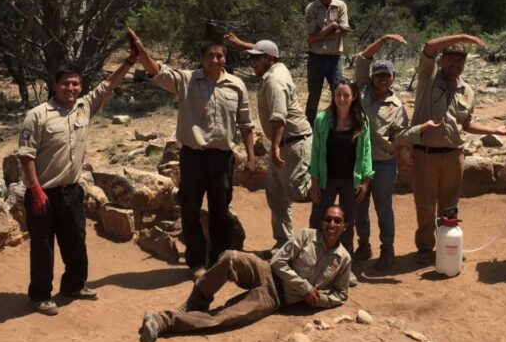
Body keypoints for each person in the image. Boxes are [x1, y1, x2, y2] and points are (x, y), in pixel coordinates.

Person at [17, 30, 139, 315]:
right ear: (55, 85)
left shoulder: (84, 107)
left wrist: (130, 60)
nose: (71, 89)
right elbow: (25, 156)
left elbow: (109, 84)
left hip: (71, 192)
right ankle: (39, 295)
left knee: (75, 242)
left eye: (75, 84)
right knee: (43, 247)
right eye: (65, 84)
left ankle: (74, 285)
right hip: (42, 194)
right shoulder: (38, 115)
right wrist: (35, 190)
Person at [128, 31, 255, 278]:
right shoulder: (187, 80)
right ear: (202, 57)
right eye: (210, 55)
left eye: (220, 56)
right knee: (190, 209)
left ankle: (219, 261)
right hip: (193, 157)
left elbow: (246, 124)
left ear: (225, 58)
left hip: (222, 159)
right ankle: (196, 262)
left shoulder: (236, 85)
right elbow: (157, 72)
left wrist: (251, 158)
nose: (215, 60)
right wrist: (141, 51)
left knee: (221, 211)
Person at [138, 205, 351, 342]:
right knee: (230, 257)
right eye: (328, 219)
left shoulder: (343, 259)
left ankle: (162, 321)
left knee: (225, 317)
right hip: (266, 271)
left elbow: (341, 294)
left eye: (337, 221)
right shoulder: (306, 235)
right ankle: (196, 302)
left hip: (275, 298)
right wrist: (305, 288)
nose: (332, 224)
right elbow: (278, 262)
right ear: (322, 222)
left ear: (344, 226)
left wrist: (320, 300)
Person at [411, 34, 506, 264]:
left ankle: (447, 244)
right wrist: (464, 37)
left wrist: (494, 130)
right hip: (425, 154)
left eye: (460, 59)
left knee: (450, 204)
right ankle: (425, 248)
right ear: (441, 60)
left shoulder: (467, 90)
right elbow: (428, 47)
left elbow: (466, 124)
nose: (455, 63)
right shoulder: (428, 78)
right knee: (425, 204)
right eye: (450, 57)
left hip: (454, 154)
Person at [224, 34, 312, 253]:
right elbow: (266, 49)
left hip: (292, 142)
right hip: (283, 142)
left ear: (269, 59)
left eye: (256, 58)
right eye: (251, 58)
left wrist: (274, 147)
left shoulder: (274, 81)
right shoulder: (276, 67)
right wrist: (243, 45)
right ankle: (284, 242)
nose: (252, 62)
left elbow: (279, 117)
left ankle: (329, 187)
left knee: (296, 191)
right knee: (275, 194)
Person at [353, 34, 416, 270]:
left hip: (383, 163)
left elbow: (401, 136)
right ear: (372, 77)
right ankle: (363, 245)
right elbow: (362, 59)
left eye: (386, 75)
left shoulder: (397, 107)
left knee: (383, 207)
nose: (382, 78)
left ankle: (387, 249)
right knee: (359, 206)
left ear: (393, 78)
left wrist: (419, 131)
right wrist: (384, 39)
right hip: (359, 161)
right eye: (378, 74)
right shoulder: (362, 91)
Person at [307, 80, 374, 266]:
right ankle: (314, 262)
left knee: (347, 224)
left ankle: (343, 266)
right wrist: (314, 181)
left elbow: (367, 151)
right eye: (338, 95)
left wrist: (366, 180)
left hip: (351, 181)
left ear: (354, 97)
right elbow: (316, 151)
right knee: (318, 220)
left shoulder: (361, 121)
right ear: (333, 96)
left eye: (346, 95)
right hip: (326, 179)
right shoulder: (322, 119)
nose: (342, 99)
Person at [304, 0, 350, 124]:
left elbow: (344, 31)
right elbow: (311, 36)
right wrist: (331, 26)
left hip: (334, 58)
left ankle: (337, 124)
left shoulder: (340, 5)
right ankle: (309, 127)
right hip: (316, 58)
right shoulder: (312, 8)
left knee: (339, 93)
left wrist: (321, 34)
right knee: (314, 95)